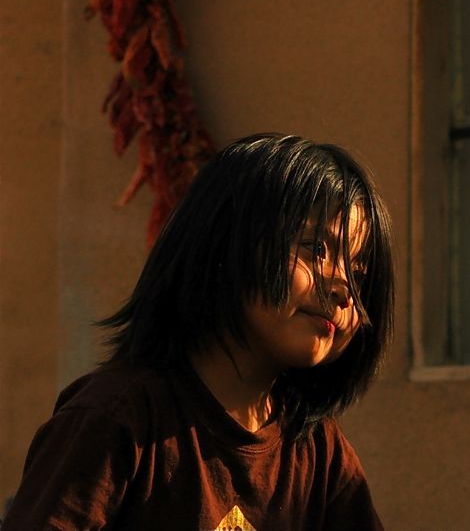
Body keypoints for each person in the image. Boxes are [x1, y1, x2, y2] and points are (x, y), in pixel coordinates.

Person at [2, 133, 394, 530]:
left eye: (359, 272)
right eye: (315, 249)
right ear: (224, 242)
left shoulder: (320, 454)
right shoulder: (116, 419)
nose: (343, 287)